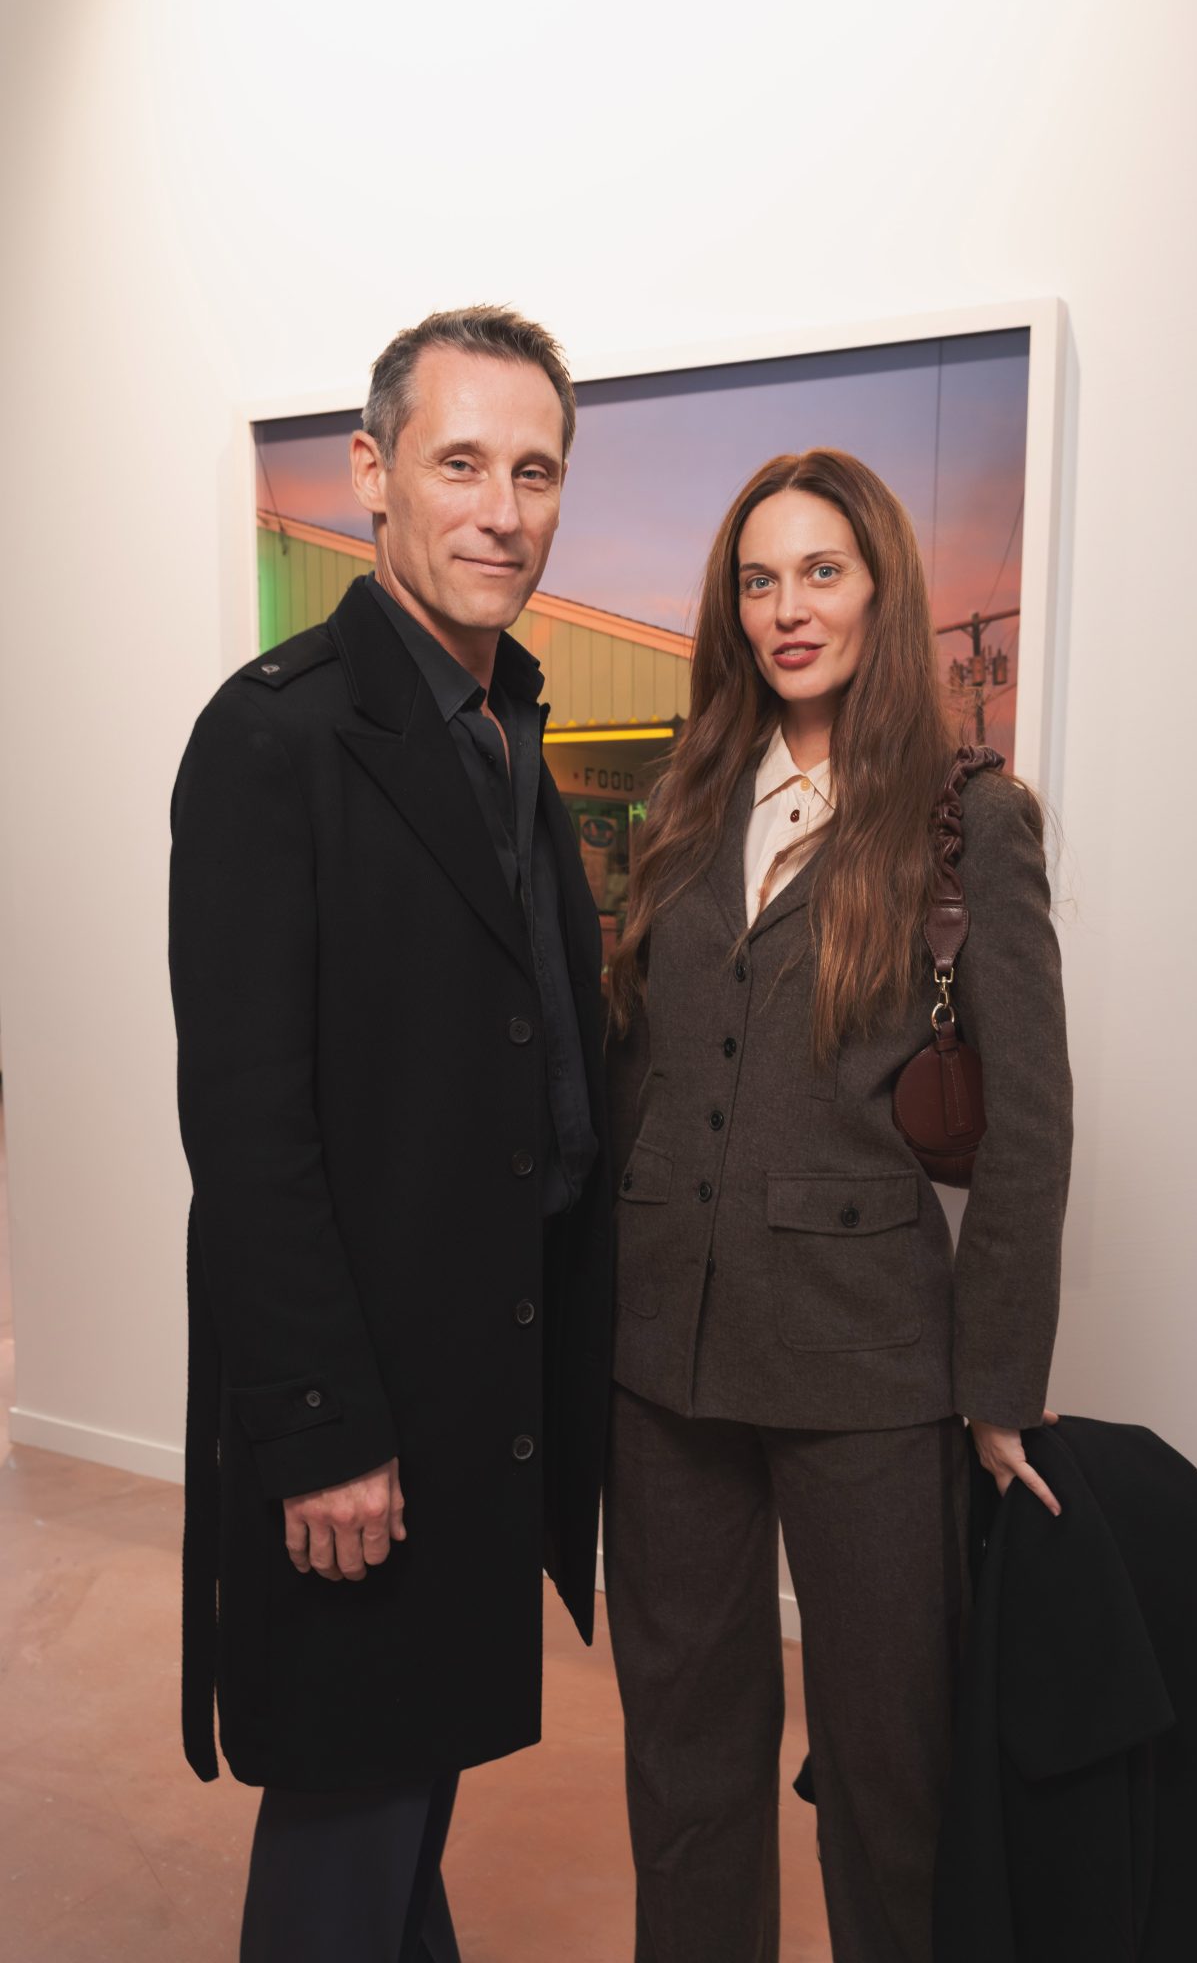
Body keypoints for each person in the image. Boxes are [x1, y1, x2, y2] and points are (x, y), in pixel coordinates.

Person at [169, 306, 613, 1962]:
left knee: (402, 1784)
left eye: (537, 471)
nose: (503, 509)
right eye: (461, 464)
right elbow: (247, 1127)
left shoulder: (508, 734)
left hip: (479, 1379)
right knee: (350, 1807)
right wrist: (321, 1426)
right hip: (368, 1400)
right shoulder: (273, 739)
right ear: (372, 475)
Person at [603, 448, 1073, 1963]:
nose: (787, 608)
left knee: (889, 1769)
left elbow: (1032, 1126)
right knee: (683, 1760)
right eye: (758, 578)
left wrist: (995, 1385)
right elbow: (643, 1068)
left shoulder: (963, 821)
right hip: (664, 1361)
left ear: (881, 589)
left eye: (821, 573)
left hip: (870, 1367)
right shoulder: (685, 796)